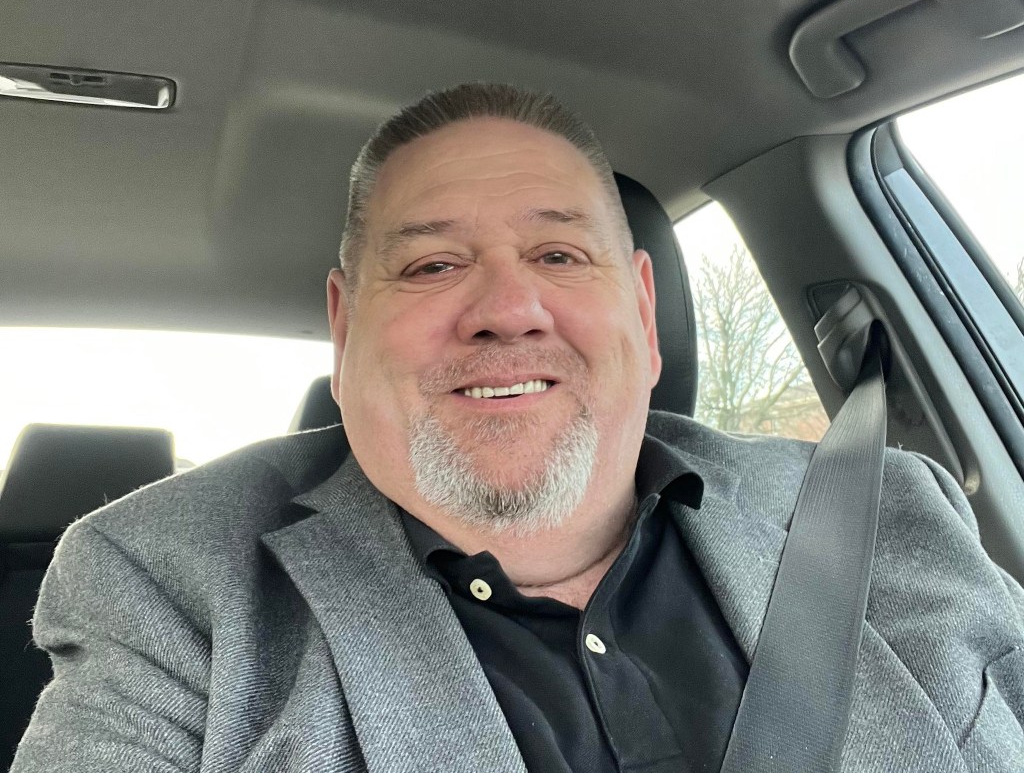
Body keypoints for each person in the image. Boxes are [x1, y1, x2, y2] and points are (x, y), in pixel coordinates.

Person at [12, 83, 1024, 773]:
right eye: (431, 265)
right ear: (345, 327)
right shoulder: (166, 582)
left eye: (559, 256)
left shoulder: (881, 511)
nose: (507, 309)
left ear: (641, 310)